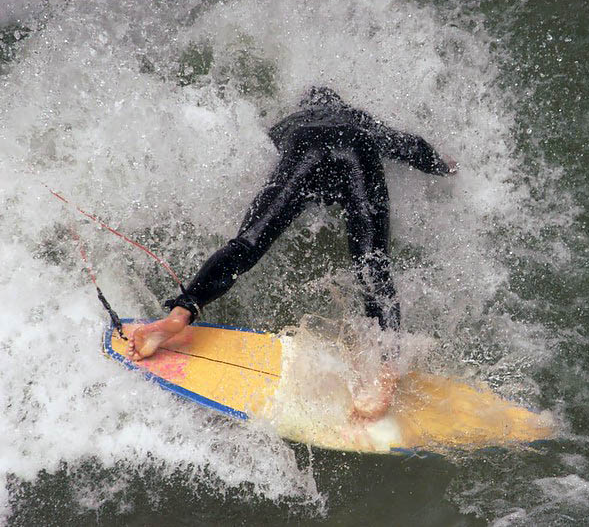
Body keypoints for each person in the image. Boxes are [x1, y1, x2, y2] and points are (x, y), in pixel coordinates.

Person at [128, 86, 457, 419]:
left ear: (306, 107)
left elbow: (253, 157)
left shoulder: (289, 124)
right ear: (340, 105)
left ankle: (179, 315)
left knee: (245, 246)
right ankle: (385, 376)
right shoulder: (361, 120)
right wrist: (443, 166)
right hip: (356, 156)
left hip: (305, 155)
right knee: (373, 267)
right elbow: (410, 146)